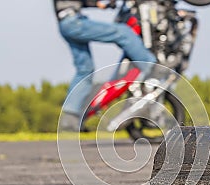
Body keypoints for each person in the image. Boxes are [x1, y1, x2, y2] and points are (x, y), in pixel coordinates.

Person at [54, 0, 157, 131]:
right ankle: (153, 68)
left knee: (85, 69)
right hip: (74, 22)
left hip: (66, 23)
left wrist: (97, 4)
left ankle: (70, 118)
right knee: (123, 33)